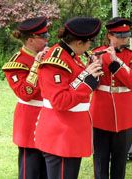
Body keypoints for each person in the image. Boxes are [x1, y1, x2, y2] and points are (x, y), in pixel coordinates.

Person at [35, 17, 103, 178]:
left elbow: (73, 83)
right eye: (89, 44)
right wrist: (87, 78)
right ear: (79, 42)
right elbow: (61, 101)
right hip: (61, 135)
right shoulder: (56, 61)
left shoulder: (70, 55)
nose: (89, 48)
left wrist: (89, 71)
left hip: (69, 135)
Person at [89, 17, 132, 179]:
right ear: (109, 36)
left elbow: (131, 81)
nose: (123, 39)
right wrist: (96, 66)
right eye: (119, 36)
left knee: (120, 160)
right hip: (101, 112)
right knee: (100, 158)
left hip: (125, 115)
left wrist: (115, 61)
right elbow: (90, 85)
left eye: (126, 36)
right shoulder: (97, 53)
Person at [2, 16, 49, 179]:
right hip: (29, 121)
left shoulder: (49, 55)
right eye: (43, 37)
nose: (47, 40)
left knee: (48, 171)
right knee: (30, 171)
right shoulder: (16, 63)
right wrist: (36, 65)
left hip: (49, 118)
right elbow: (25, 93)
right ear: (30, 40)